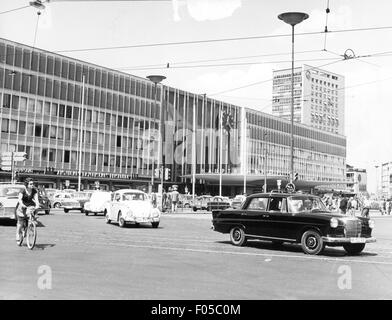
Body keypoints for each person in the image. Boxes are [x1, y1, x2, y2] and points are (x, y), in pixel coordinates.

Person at [15, 178, 39, 244]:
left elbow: (36, 200)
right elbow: (19, 200)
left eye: (33, 184)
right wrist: (22, 204)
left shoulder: (34, 191)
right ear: (27, 184)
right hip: (22, 206)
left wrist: (37, 205)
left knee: (32, 213)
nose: (32, 185)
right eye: (30, 184)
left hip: (30, 206)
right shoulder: (23, 190)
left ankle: (31, 224)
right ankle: (17, 234)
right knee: (20, 224)